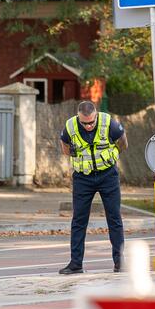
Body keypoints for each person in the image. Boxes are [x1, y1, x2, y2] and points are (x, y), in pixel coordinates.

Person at [58, 101, 128, 274]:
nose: (88, 126)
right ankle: (76, 263)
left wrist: (110, 156)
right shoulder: (71, 126)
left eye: (91, 122)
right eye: (85, 123)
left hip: (108, 176)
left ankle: (120, 262)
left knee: (114, 218)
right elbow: (64, 146)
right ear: (78, 117)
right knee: (78, 221)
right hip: (83, 178)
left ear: (96, 115)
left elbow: (123, 143)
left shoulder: (109, 123)